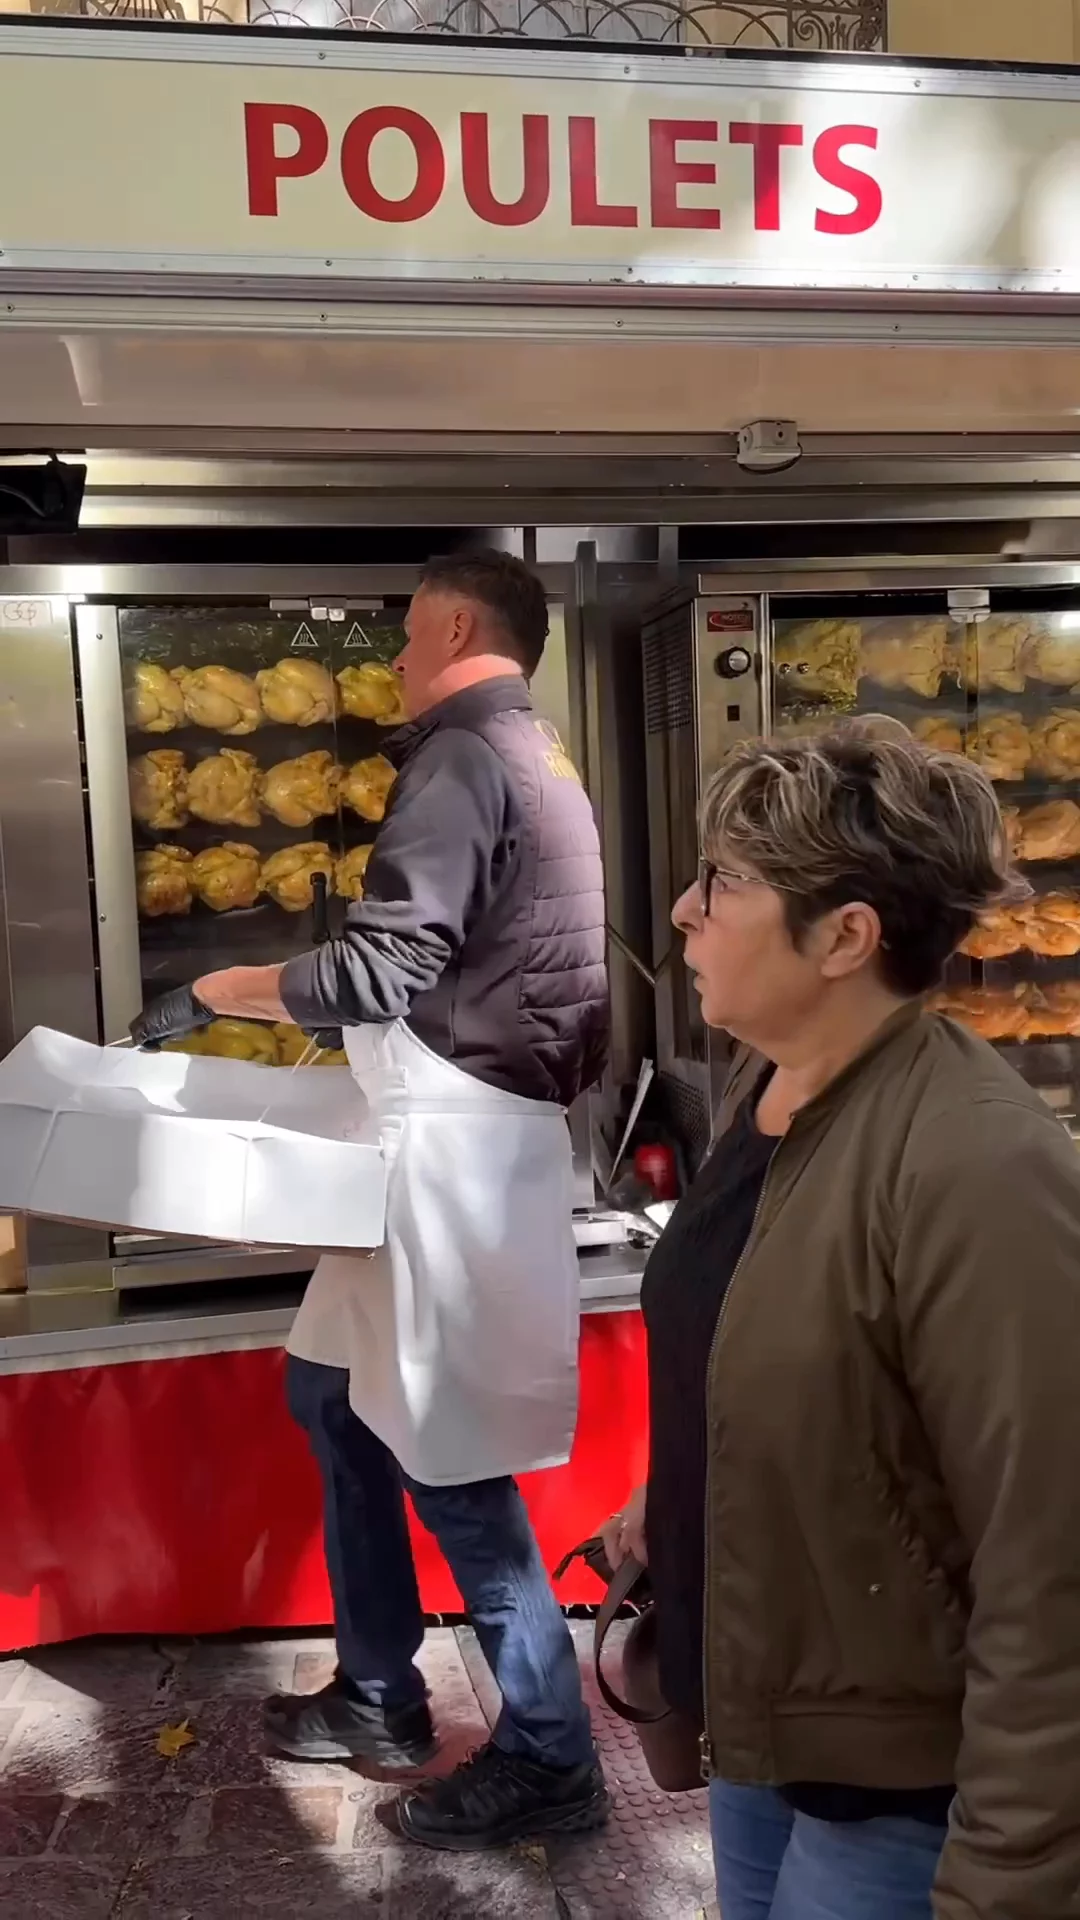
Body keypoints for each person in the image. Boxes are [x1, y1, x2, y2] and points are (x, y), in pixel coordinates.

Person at [132, 550, 611, 1850]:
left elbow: (384, 967)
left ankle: (552, 1755)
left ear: (454, 626)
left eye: (404, 638)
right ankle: (380, 1690)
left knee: (453, 1463)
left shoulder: (461, 755)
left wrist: (218, 991)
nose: (394, 662)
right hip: (447, 1139)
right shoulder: (535, 753)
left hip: (450, 1159)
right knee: (334, 1396)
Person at [601, 727, 1080, 1920]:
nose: (684, 910)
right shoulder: (768, 1090)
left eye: (724, 882)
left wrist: (1011, 1869)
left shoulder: (978, 1163)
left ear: (845, 937)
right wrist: (682, 1493)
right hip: (767, 1725)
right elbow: (786, 1344)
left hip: (900, 1793)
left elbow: (1050, 1555)